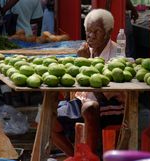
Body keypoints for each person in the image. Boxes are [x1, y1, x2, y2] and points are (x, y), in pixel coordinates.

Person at [52, 9, 126, 157]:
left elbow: (105, 93)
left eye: (96, 31)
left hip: (110, 105)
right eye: (88, 31)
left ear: (108, 32)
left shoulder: (117, 54)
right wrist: (79, 63)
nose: (91, 36)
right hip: (84, 101)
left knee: (89, 107)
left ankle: (93, 156)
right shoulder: (86, 51)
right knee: (48, 116)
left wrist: (86, 62)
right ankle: (78, 157)